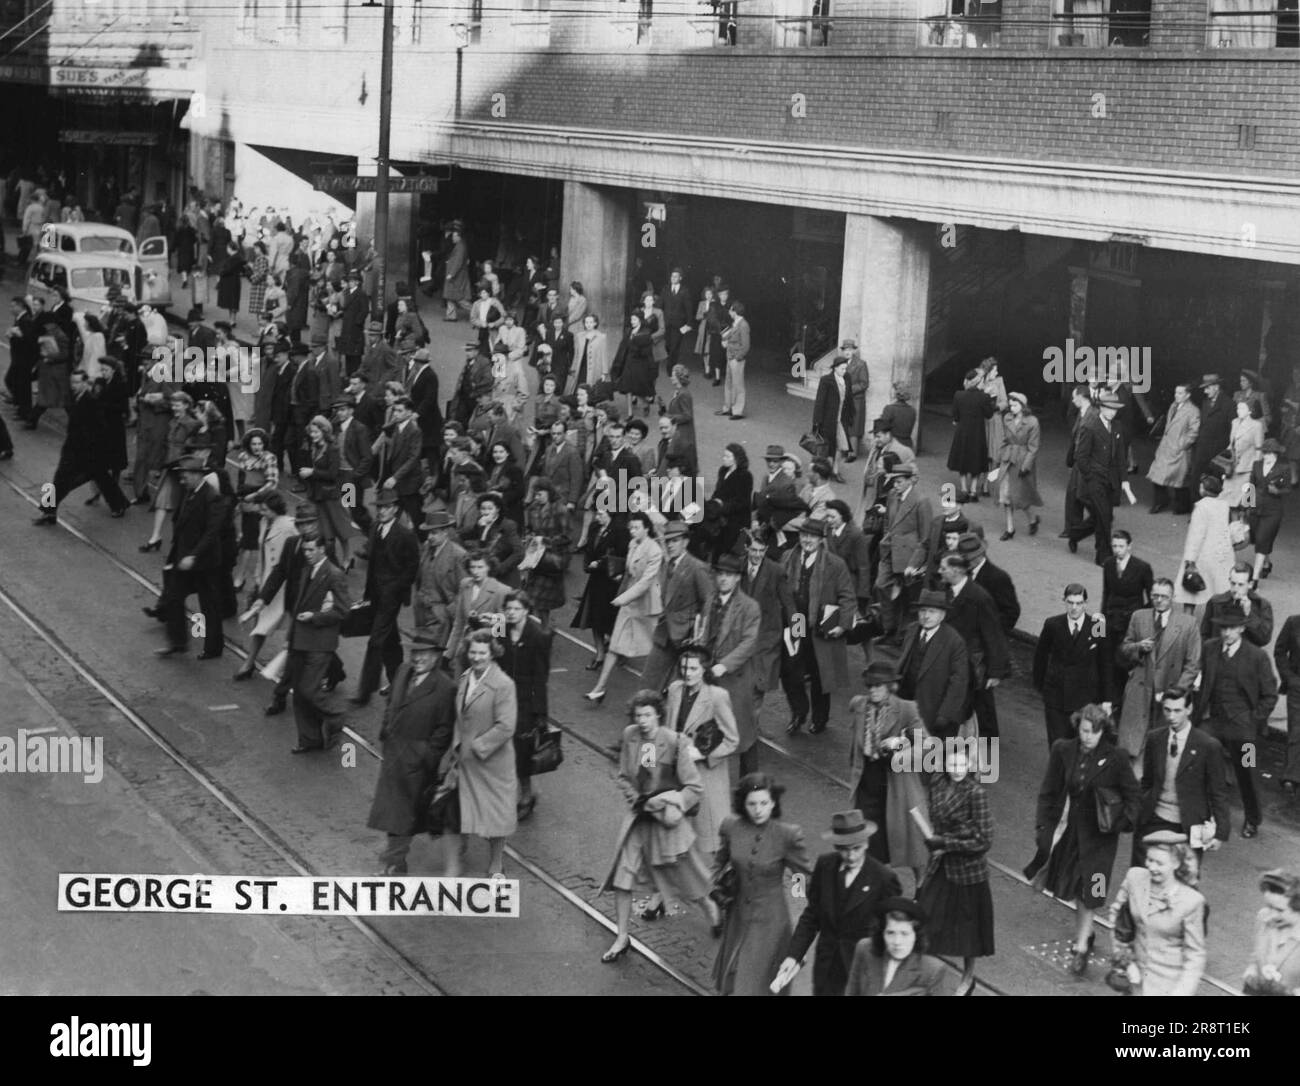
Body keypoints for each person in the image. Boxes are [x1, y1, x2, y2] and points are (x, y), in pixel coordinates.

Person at [599, 690, 721, 963]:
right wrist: (635, 797)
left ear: (658, 715)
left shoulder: (675, 742)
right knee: (623, 876)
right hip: (638, 820)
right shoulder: (631, 736)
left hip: (666, 824)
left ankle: (710, 907)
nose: (642, 721)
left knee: (687, 876)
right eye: (638, 715)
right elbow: (622, 776)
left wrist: (670, 803)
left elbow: (694, 787)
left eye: (647, 715)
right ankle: (622, 936)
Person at [1033, 704, 1141, 976]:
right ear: (1077, 726)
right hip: (1070, 833)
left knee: (1092, 891)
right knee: (1074, 886)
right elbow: (1049, 790)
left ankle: (1080, 947)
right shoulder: (1062, 750)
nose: (1088, 737)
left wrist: (1121, 823)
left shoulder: (1116, 758)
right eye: (1083, 730)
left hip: (1101, 840)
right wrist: (1043, 827)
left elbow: (1134, 797)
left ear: (1103, 730)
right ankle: (1086, 934)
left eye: (1094, 732)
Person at [774, 810, 901, 996]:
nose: (850, 855)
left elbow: (892, 927)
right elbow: (812, 916)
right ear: (836, 846)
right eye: (844, 849)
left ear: (866, 843)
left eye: (856, 848)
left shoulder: (883, 878)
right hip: (827, 967)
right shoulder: (825, 865)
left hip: (863, 970)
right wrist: (794, 955)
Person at [366, 628, 457, 874]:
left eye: (424, 654)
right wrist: (386, 729)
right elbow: (390, 705)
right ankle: (396, 861)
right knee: (392, 812)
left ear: (436, 657)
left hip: (417, 760)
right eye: (415, 653)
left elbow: (444, 730)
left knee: (403, 814)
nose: (418, 658)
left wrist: (427, 755)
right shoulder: (403, 671)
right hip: (394, 752)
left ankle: (393, 863)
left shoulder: (445, 687)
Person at [711, 774, 812, 996]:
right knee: (735, 980)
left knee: (754, 984)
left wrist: (813, 914)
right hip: (737, 917)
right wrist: (716, 888)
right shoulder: (731, 827)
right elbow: (718, 863)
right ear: (743, 804)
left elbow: (802, 878)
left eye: (764, 803)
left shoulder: (787, 835)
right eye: (752, 803)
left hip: (771, 923)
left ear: (773, 803)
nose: (758, 810)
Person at [1196, 601, 1278, 840]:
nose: (1227, 633)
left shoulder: (1257, 656)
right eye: (1223, 628)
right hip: (1215, 721)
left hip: (1245, 729)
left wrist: (1253, 720)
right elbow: (1200, 683)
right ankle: (1202, 814)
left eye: (1232, 628)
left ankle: (1253, 819)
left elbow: (1270, 695)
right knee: (1196, 755)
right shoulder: (1210, 648)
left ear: (1242, 628)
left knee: (1248, 771)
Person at [918, 743, 994, 996]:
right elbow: (936, 820)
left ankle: (968, 977)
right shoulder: (938, 783)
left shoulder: (976, 793)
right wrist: (938, 839)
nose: (957, 769)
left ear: (970, 765)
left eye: (962, 764)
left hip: (967, 872)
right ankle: (923, 974)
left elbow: (984, 840)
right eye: (952, 764)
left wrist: (946, 842)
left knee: (968, 929)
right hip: (940, 865)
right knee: (926, 917)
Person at [440, 629, 517, 877]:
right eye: (472, 652)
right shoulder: (464, 678)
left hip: (491, 763)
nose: (476, 657)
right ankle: (456, 858)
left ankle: (496, 865)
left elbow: (506, 726)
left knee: (496, 817)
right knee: (459, 809)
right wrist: (456, 748)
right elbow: (459, 718)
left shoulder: (503, 684)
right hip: (464, 761)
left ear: (492, 653)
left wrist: (476, 747)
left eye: (482, 653)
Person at [849, 662, 930, 888]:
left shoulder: (906, 709)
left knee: (910, 839)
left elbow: (925, 744)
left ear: (891, 687)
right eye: (870, 685)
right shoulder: (858, 705)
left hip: (895, 783)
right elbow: (855, 745)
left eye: (878, 685)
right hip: (867, 782)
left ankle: (922, 884)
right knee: (868, 839)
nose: (873, 690)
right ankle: (877, 888)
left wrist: (901, 744)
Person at [1132, 686, 1230, 867]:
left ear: (1189, 709)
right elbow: (1147, 781)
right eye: (1167, 710)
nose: (1171, 716)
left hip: (1188, 825)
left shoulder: (1207, 746)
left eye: (1177, 711)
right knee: (1143, 875)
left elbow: (1218, 792)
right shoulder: (1155, 739)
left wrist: (1220, 833)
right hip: (1154, 819)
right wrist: (1141, 810)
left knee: (1182, 880)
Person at [779, 517, 856, 735]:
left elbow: (848, 596)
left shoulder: (834, 564)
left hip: (822, 625)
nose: (807, 540)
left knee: (821, 675)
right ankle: (799, 711)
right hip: (796, 622)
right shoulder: (788, 557)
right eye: (804, 535)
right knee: (790, 671)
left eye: (812, 536)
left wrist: (842, 625)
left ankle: (820, 718)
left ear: (821, 540)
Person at [663, 646, 740, 857]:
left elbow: (732, 739)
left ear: (704, 670)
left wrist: (704, 755)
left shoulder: (717, 696)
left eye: (693, 668)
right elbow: (667, 729)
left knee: (708, 835)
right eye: (684, 667)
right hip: (679, 771)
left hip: (705, 774)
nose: (687, 673)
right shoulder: (675, 690)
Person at [1109, 830, 1207, 996]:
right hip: (1135, 977)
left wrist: (1182, 992)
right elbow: (1116, 915)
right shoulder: (1135, 878)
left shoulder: (1192, 901)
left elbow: (1195, 954)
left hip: (1169, 983)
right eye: (1149, 860)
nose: (1152, 867)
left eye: (1159, 863)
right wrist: (1123, 958)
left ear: (1176, 864)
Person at [1117, 578, 1202, 760]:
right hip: (1140, 689)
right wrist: (1138, 647)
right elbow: (1124, 649)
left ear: (1173, 597)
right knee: (1131, 747)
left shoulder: (1188, 624)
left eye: (1164, 596)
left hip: (1168, 690)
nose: (1159, 600)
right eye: (1155, 596)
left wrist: (1177, 692)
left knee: (1162, 749)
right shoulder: (1139, 616)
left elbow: (1193, 664)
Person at [31, 371, 129, 526]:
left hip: (85, 451)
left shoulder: (90, 401)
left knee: (87, 478)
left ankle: (119, 504)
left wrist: (92, 446)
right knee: (70, 479)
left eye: (77, 382)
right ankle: (49, 511)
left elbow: (100, 427)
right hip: (76, 449)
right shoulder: (76, 398)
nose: (74, 386)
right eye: (72, 382)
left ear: (85, 383)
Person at [150, 455, 225, 660]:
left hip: (204, 562)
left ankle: (213, 648)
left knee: (209, 605)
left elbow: (211, 532)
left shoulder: (211, 497)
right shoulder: (189, 492)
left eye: (186, 476)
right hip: (184, 559)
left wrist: (194, 555)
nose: (182, 480)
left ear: (197, 475)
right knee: (173, 597)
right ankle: (178, 642)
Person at [587, 511, 663, 702]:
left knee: (653, 651)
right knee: (614, 645)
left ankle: (658, 690)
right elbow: (630, 573)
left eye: (637, 528)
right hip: (629, 603)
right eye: (631, 528)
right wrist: (620, 589)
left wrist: (623, 598)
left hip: (646, 606)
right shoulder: (632, 544)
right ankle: (600, 688)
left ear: (647, 528)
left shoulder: (655, 551)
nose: (633, 532)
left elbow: (646, 582)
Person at [697, 554, 762, 775]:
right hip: (708, 674)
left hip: (735, 679)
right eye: (720, 574)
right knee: (704, 724)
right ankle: (703, 776)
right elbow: (704, 631)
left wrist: (723, 665)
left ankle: (751, 783)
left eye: (729, 575)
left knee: (744, 731)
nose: (723, 578)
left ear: (737, 579)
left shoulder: (749, 607)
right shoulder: (710, 599)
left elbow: (749, 643)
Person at [1032, 584, 1112, 747]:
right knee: (1057, 743)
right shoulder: (1053, 624)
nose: (1074, 607)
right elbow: (1040, 656)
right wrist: (1042, 686)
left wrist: (1106, 698)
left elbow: (1104, 662)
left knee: (1080, 742)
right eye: (1070, 602)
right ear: (1064, 601)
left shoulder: (1097, 625)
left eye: (1079, 603)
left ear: (1086, 603)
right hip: (1056, 695)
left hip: (1085, 697)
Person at [639, 520, 714, 693]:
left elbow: (709, 602)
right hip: (665, 633)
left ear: (685, 542)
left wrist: (700, 637)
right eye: (668, 541)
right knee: (648, 682)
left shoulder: (697, 567)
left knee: (679, 690)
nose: (670, 545)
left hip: (686, 638)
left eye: (675, 541)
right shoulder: (667, 565)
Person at [498, 591, 552, 822]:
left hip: (524, 701)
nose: (511, 613)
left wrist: (540, 713)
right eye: (508, 609)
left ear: (526, 611)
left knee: (521, 750)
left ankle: (527, 794)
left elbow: (541, 677)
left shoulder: (537, 636)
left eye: (516, 609)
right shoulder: (500, 628)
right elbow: (491, 653)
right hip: (500, 696)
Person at [1067, 392, 1131, 566]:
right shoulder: (1090, 427)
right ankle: (1103, 555)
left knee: (1104, 517)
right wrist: (1090, 477)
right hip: (1094, 480)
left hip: (1111, 480)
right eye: (1109, 409)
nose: (1112, 413)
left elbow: (1120, 456)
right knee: (1103, 517)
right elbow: (1081, 456)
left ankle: (1075, 534)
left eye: (1115, 410)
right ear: (1101, 407)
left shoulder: (1117, 427)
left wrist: (1124, 480)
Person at [845, 898, 948, 996]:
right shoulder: (865, 948)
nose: (897, 942)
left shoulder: (933, 969)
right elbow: (852, 990)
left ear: (916, 936)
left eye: (905, 933)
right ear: (882, 933)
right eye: (890, 933)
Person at [1173, 474, 1234, 613]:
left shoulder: (1201, 506)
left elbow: (1196, 535)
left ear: (1204, 490)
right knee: (1218, 590)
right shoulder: (1224, 505)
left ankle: (1187, 622)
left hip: (1203, 554)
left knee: (1190, 592)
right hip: (1220, 553)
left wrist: (1190, 560)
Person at [1241, 869, 1300, 996]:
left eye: (1279, 910)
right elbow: (1256, 956)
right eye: (1269, 906)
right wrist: (1251, 972)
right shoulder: (1263, 917)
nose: (1271, 915)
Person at [993, 392, 1041, 538]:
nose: (1011, 408)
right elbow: (1004, 440)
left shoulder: (1033, 422)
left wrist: (1025, 466)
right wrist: (999, 457)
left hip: (1022, 460)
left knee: (1021, 496)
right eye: (1010, 405)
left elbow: (1033, 447)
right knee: (1006, 495)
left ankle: (1032, 519)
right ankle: (1010, 528)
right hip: (1008, 459)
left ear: (1023, 406)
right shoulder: (1007, 418)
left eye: (1015, 405)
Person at [1147, 383, 1200, 515]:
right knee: (1157, 476)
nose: (1177, 395)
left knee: (1180, 480)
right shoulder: (1173, 406)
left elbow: (1194, 432)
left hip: (1179, 450)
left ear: (1188, 395)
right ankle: (1160, 501)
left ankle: (1182, 506)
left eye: (1180, 393)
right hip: (1166, 447)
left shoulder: (1193, 411)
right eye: (1176, 392)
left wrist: (1181, 445)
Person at [947, 368, 994, 504]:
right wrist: (989, 397)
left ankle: (963, 489)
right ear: (979, 381)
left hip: (962, 431)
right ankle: (973, 490)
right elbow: (989, 414)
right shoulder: (984, 397)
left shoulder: (959, 395)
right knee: (976, 460)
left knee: (962, 459)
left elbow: (955, 416)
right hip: (977, 432)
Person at [1200, 561, 1274, 647]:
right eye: (1233, 583)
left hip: (1247, 657)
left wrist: (1249, 614)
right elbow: (1204, 634)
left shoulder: (1262, 605)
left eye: (1240, 584)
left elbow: (1264, 638)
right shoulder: (1215, 602)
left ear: (1250, 584)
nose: (1235, 589)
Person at [1248, 438, 1290, 584]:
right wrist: (1247, 506)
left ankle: (1254, 578)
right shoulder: (1256, 465)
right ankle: (1266, 562)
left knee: (1262, 539)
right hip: (1255, 508)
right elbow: (1251, 485)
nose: (1266, 456)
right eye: (1265, 452)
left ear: (1276, 454)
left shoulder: (1284, 468)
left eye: (1269, 453)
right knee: (1258, 539)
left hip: (1273, 511)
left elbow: (1288, 489)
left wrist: (1277, 491)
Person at [811, 354, 854, 483]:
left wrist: (851, 415)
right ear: (835, 368)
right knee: (826, 447)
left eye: (845, 368)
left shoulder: (847, 378)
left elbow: (849, 398)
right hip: (828, 420)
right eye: (842, 368)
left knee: (842, 446)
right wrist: (817, 421)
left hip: (842, 419)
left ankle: (833, 470)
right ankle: (826, 471)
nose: (844, 371)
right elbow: (820, 402)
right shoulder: (826, 380)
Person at [1274, 614, 1300, 803]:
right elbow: (1280, 651)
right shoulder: (1293, 622)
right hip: (1297, 685)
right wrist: (1289, 678)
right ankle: (1291, 777)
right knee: (1296, 730)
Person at [1191, 373, 1233, 489]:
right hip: (1202, 450)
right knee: (1196, 479)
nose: (1205, 391)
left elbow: (1232, 431)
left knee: (1214, 484)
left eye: (1207, 388)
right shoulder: (1205, 403)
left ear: (1216, 387)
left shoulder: (1229, 404)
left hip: (1217, 453)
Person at [613, 310, 657, 419]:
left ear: (640, 320)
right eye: (631, 319)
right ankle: (630, 413)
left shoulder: (646, 333)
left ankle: (645, 403)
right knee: (628, 388)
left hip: (640, 364)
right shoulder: (629, 331)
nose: (632, 322)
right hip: (629, 362)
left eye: (634, 320)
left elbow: (646, 352)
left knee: (638, 389)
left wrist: (635, 345)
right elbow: (623, 346)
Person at [1223, 397, 1264, 506]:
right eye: (1238, 408)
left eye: (1242, 408)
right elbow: (1231, 444)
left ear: (1250, 410)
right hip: (1232, 467)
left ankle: (1246, 522)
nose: (1238, 411)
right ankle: (1233, 522)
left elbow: (1259, 449)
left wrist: (1257, 470)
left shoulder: (1257, 425)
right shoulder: (1234, 422)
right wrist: (1225, 461)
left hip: (1248, 467)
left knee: (1247, 501)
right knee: (1229, 499)